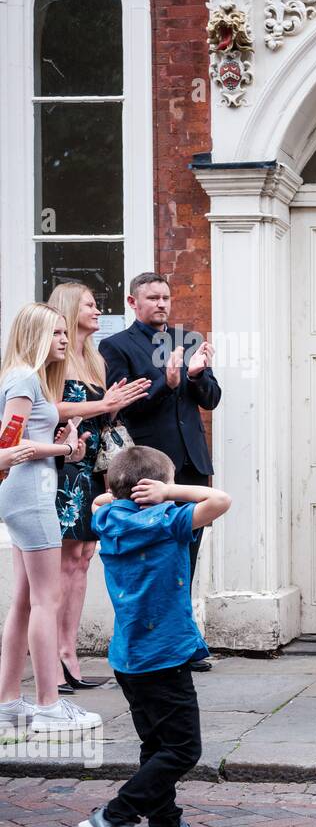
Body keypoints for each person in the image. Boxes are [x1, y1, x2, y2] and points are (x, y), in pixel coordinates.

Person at [77, 445, 230, 827]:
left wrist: (117, 493)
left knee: (156, 745)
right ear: (156, 488)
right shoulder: (169, 521)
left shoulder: (107, 519)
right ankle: (114, 817)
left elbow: (100, 500)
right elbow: (220, 500)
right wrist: (170, 491)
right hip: (165, 655)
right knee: (183, 749)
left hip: (128, 659)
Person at [100, 272, 222, 673]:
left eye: (166, 297)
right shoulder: (115, 346)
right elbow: (121, 409)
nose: (162, 304)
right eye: (152, 297)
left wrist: (194, 375)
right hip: (145, 468)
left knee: (186, 557)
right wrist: (166, 383)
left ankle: (183, 643)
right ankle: (147, 642)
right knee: (153, 560)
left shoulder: (187, 340)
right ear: (133, 303)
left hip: (190, 464)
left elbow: (212, 399)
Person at [0, 303, 101, 733]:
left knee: (24, 600)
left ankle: (9, 702)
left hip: (25, 492)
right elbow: (10, 439)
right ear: (39, 335)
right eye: (58, 333)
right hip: (31, 495)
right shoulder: (24, 377)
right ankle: (47, 705)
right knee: (46, 598)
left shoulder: (24, 377)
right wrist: (64, 450)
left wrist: (59, 436)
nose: (65, 339)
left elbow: (26, 432)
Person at [48, 282, 151, 692]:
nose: (97, 310)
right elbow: (48, 407)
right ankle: (54, 655)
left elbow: (102, 416)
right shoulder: (52, 356)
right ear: (71, 309)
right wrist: (103, 405)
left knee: (84, 556)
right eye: (90, 304)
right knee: (63, 560)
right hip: (61, 465)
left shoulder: (94, 358)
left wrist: (115, 405)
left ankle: (69, 652)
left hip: (92, 465)